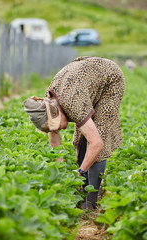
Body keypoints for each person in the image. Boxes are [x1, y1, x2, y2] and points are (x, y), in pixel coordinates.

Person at [23, 56, 125, 210]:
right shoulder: (47, 104)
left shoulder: (73, 104)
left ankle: (91, 200)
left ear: (57, 113)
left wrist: (80, 171)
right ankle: (83, 187)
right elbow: (54, 138)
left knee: (99, 133)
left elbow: (97, 143)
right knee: (82, 137)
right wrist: (63, 171)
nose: (57, 130)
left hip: (110, 79)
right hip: (83, 84)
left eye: (56, 126)